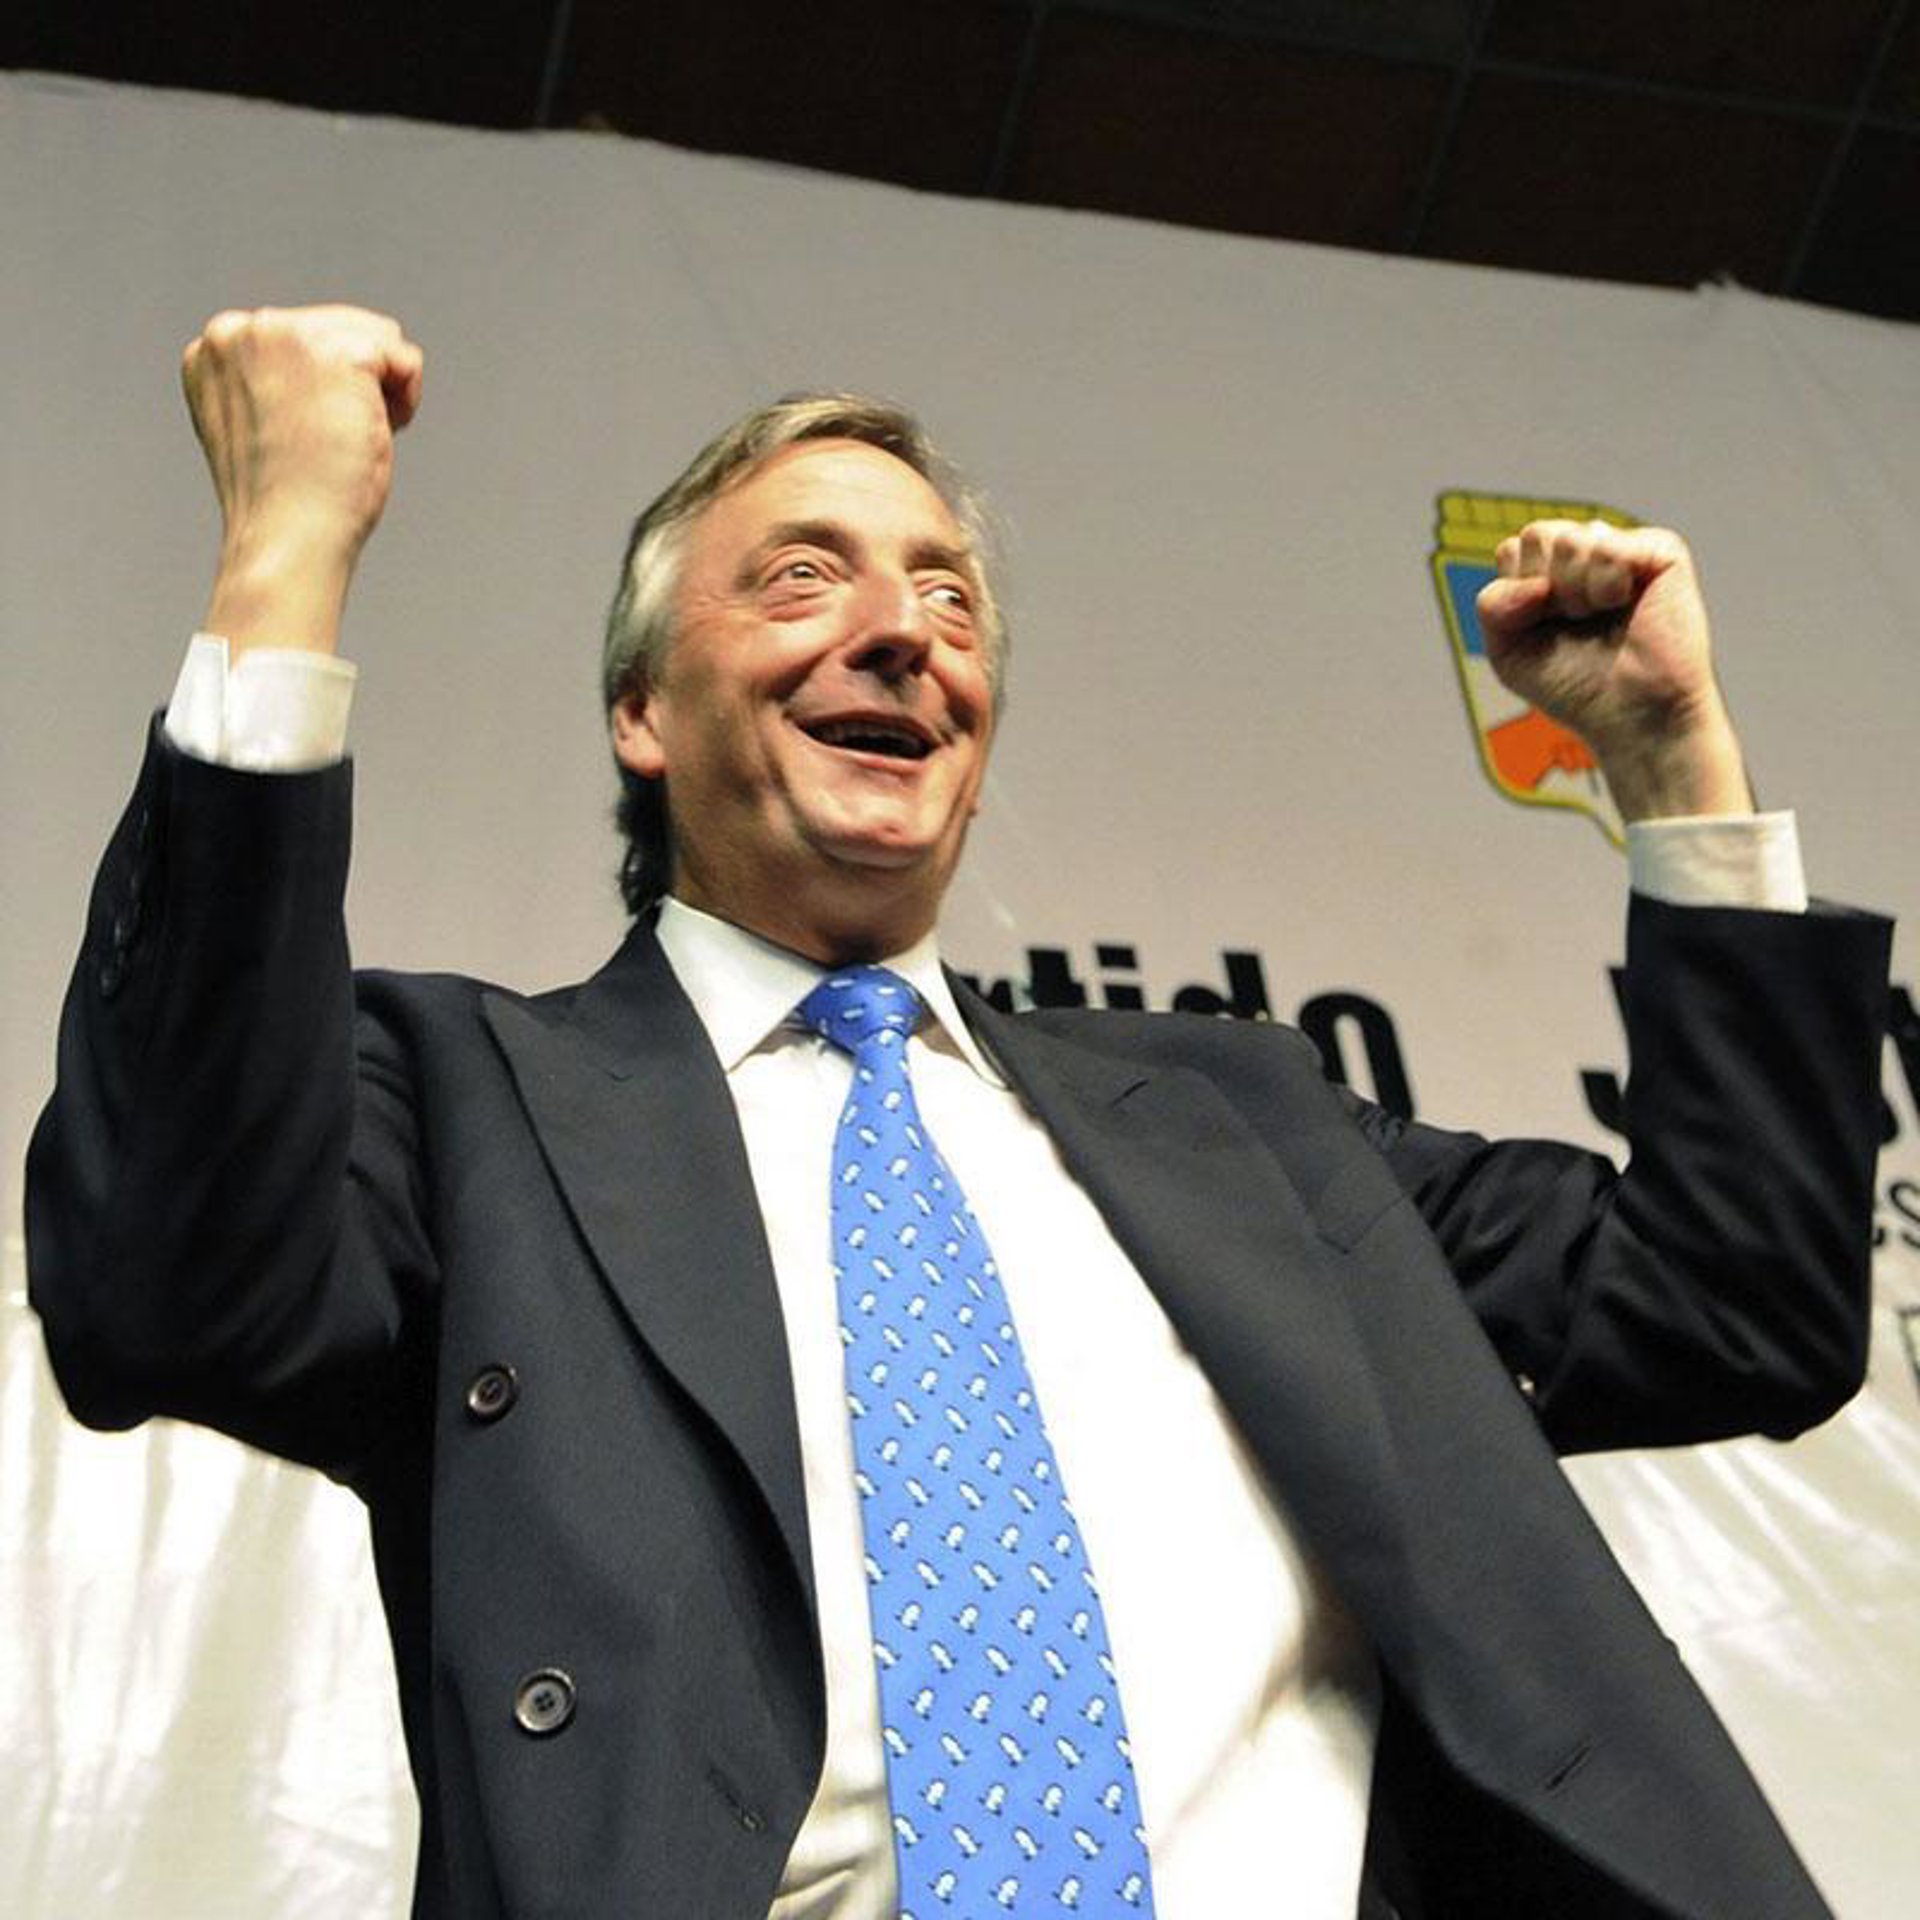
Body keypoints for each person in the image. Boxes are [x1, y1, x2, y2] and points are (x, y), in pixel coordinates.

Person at [26, 305, 1890, 1920]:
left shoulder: (1238, 1118)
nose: (904, 634)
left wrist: (1673, 763)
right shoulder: (470, 1107)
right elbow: (160, 1283)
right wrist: (285, 555)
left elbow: (1728, 1303)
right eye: (801, 577)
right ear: (642, 712)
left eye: (947, 598)